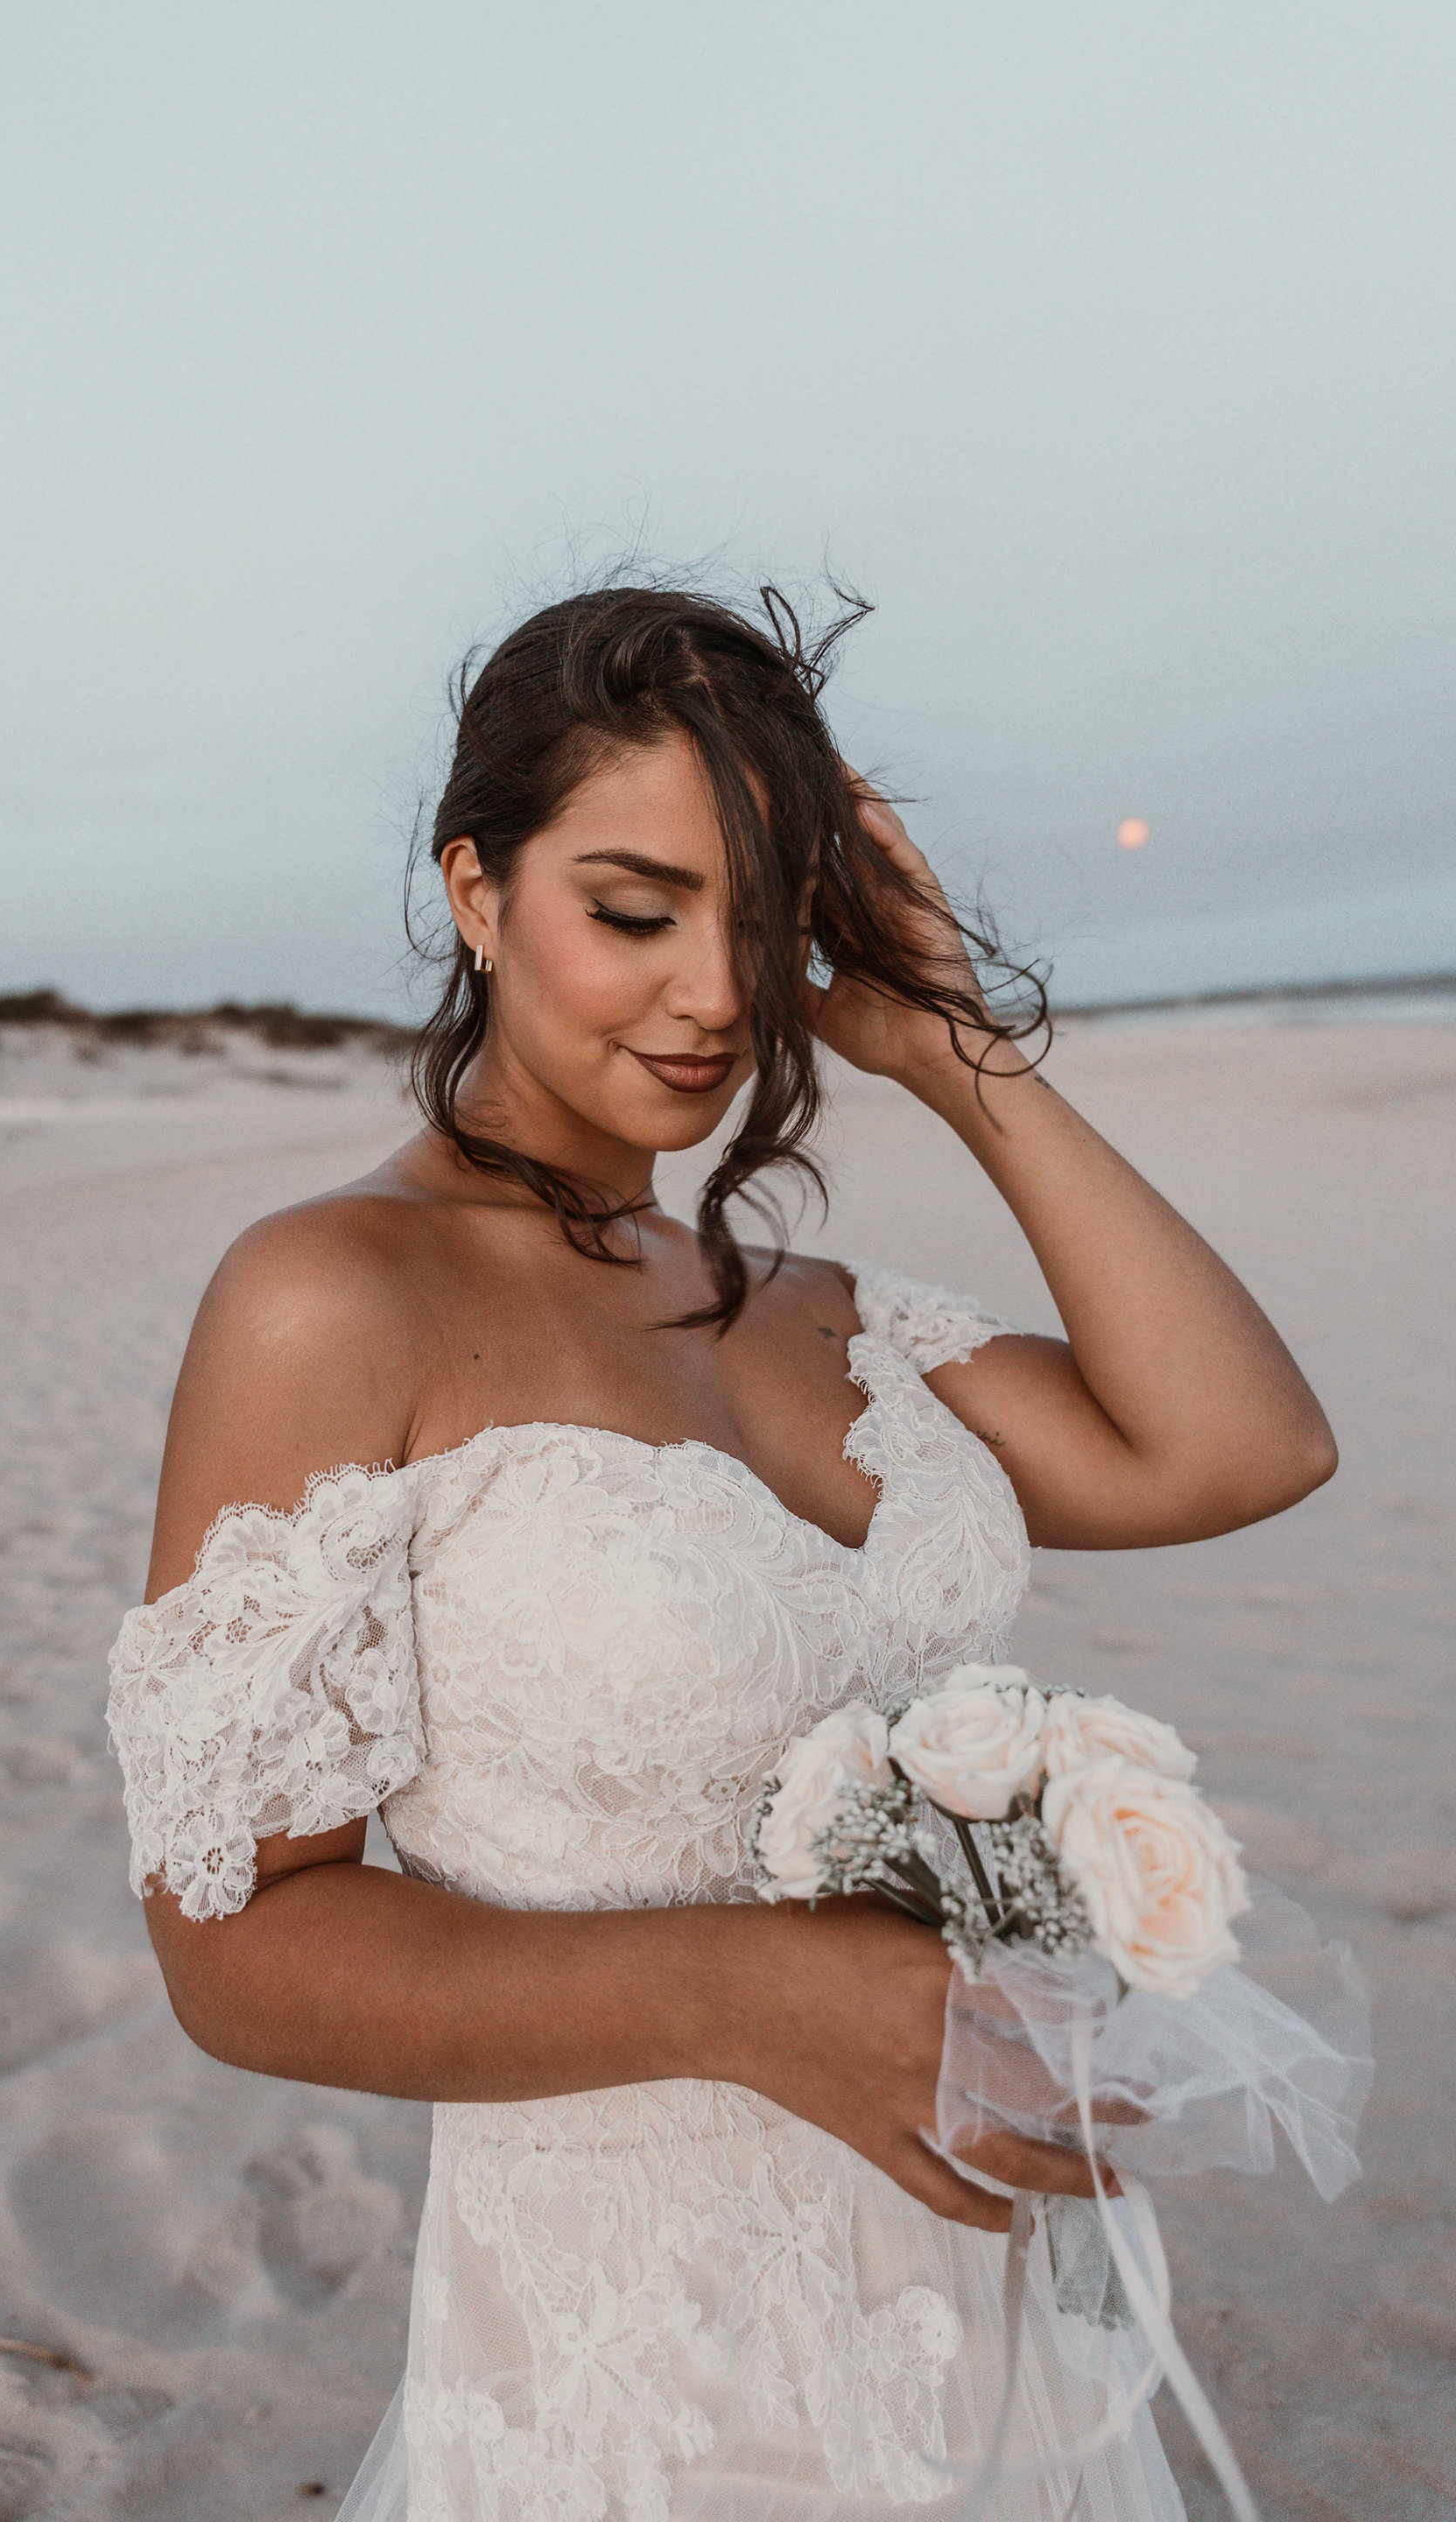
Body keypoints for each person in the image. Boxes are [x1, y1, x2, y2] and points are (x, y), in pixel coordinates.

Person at [106, 585, 1337, 2520]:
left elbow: (1243, 1447)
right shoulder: (330, 1297)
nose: (713, 994)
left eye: (765, 923)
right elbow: (234, 1944)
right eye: (635, 908)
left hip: (985, 2297)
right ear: (478, 890)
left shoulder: (823, 1311)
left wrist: (960, 1057)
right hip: (644, 2376)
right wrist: (747, 1997)